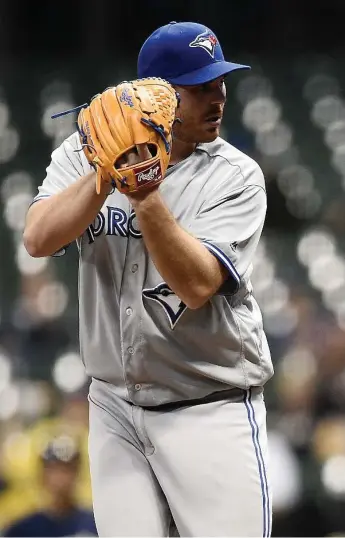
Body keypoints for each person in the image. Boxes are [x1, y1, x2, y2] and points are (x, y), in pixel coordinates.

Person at [23, 20, 274, 537]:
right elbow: (38, 238)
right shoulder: (83, 151)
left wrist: (143, 193)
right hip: (114, 405)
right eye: (200, 87)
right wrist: (104, 173)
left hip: (209, 405)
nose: (217, 98)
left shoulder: (236, 175)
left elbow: (199, 285)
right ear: (157, 96)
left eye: (220, 83)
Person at [3, 435, 97, 537]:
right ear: (42, 475)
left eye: (67, 470)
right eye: (54, 470)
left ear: (78, 473)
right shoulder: (22, 529)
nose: (61, 478)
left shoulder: (95, 524)